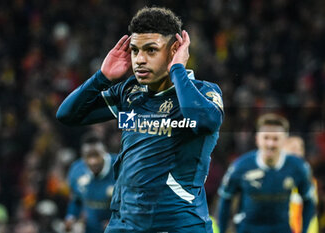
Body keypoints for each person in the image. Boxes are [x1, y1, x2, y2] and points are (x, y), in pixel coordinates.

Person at [57, 6, 223, 233]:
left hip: (180, 224)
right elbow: (67, 115)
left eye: (151, 50)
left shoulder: (203, 93)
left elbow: (205, 121)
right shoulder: (129, 91)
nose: (140, 60)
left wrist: (177, 70)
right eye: (135, 51)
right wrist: (101, 77)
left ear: (175, 49)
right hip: (124, 224)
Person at [217, 114, 316, 233]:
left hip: (281, 229)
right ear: (257, 139)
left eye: (275, 139)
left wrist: (304, 230)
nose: (270, 144)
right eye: (266, 138)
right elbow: (226, 199)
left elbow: (309, 201)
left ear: (284, 140)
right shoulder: (240, 166)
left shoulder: (298, 167)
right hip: (248, 229)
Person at [64, 133, 115, 233]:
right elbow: (76, 200)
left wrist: (117, 222)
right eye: (88, 156)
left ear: (105, 152)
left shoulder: (120, 167)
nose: (93, 161)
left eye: (96, 155)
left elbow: (132, 203)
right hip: (90, 228)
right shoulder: (76, 170)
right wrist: (71, 217)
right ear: (82, 156)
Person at [283, 136, 319, 233]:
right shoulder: (274, 176)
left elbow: (311, 209)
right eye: (293, 148)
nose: (297, 152)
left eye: (300, 149)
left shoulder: (308, 178)